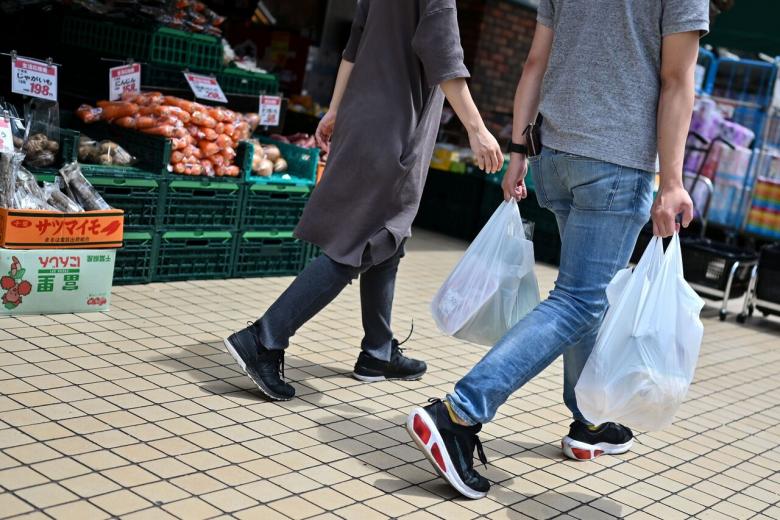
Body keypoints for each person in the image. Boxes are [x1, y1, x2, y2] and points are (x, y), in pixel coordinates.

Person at [406, 0, 710, 499]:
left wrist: (520, 153)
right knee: (578, 300)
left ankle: (587, 423)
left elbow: (534, 64)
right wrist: (672, 182)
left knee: (587, 300)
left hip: (555, 156)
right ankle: (459, 412)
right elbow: (677, 81)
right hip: (614, 165)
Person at [224, 0, 503, 401]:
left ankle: (378, 350)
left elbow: (353, 45)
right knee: (358, 241)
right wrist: (477, 130)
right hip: (395, 130)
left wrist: (335, 109)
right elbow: (444, 52)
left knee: (389, 238)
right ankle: (264, 338)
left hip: (362, 115)